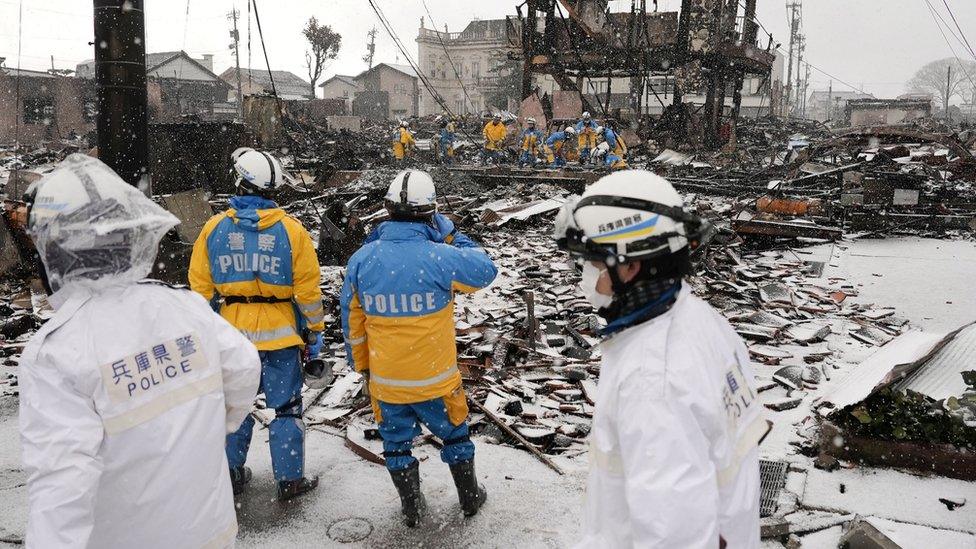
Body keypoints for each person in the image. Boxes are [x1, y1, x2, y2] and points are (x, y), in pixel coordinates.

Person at [19, 154, 261, 548]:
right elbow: (245, 367)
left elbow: (60, 489)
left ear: (54, 252)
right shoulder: (185, 309)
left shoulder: (58, 353)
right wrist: (201, 428)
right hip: (211, 533)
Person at [554, 170, 768, 548]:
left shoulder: (652, 381)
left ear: (631, 266)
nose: (584, 276)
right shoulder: (698, 318)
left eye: (593, 264)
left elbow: (674, 535)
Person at [341, 170, 498, 527]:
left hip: (388, 381)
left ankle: (411, 507)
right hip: (436, 380)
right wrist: (453, 233)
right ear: (431, 213)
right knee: (455, 435)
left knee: (396, 446)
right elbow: (486, 269)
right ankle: (470, 498)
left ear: (387, 210)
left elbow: (353, 324)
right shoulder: (441, 257)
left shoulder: (363, 260)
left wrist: (363, 368)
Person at [190, 148, 324, 501]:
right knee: (287, 408)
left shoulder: (214, 229)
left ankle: (231, 475)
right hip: (281, 337)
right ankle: (289, 481)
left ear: (239, 182)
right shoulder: (292, 232)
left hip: (232, 337)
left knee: (235, 407)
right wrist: (314, 332)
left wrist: (204, 335)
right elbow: (308, 291)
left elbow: (199, 291)